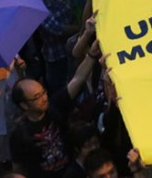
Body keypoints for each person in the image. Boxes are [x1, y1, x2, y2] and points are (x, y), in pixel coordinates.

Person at [10, 40, 100, 178]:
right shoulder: (19, 134)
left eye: (43, 92)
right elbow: (18, 168)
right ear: (24, 105)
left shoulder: (54, 106)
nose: (44, 98)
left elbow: (78, 79)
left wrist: (92, 55)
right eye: (36, 97)